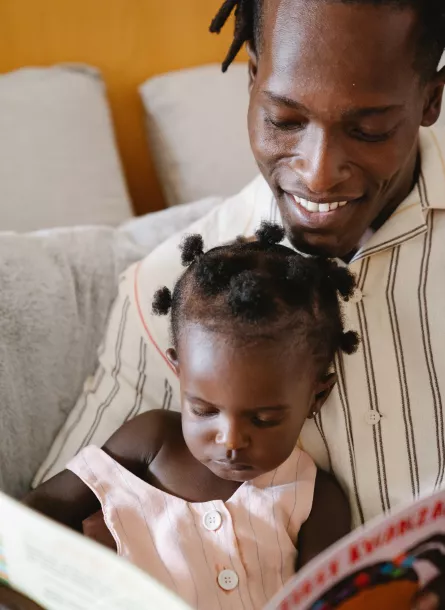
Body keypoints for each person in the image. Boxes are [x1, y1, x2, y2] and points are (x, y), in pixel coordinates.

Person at [5, 0, 445, 608]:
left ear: (431, 100)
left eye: (368, 129)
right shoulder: (176, 292)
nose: (318, 175)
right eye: (285, 120)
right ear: (252, 82)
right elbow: (47, 541)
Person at [19, 224, 354, 609]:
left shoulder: (316, 496)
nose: (230, 440)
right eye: (204, 410)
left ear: (318, 395)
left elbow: (329, 600)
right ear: (178, 371)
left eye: (263, 419)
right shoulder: (151, 442)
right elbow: (40, 510)